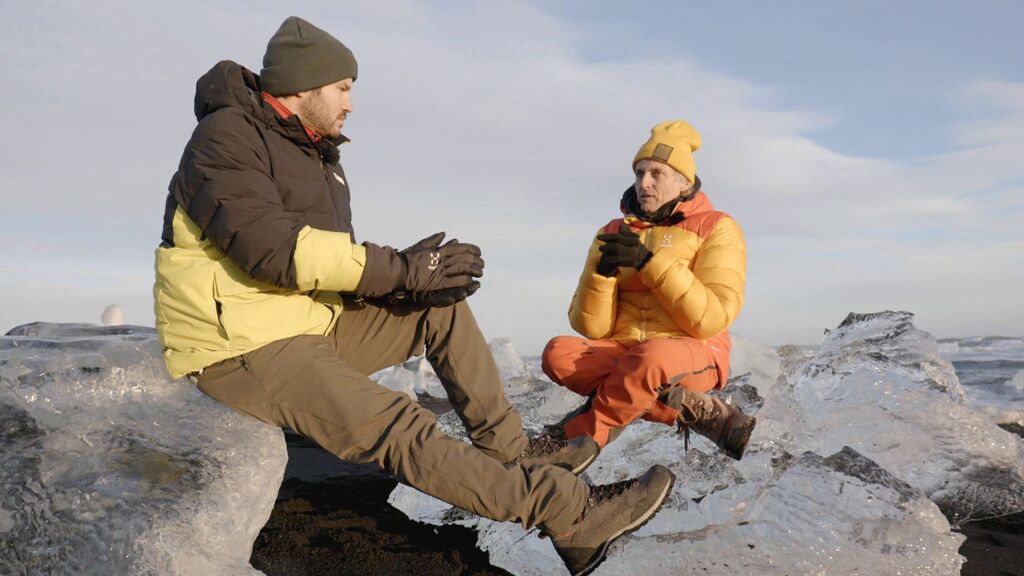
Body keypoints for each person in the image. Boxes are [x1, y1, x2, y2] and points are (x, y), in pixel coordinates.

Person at [153, 16, 673, 576]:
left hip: (302, 319)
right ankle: (570, 517)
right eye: (343, 88)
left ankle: (512, 451)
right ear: (303, 85)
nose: (350, 104)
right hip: (240, 344)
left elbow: (323, 258)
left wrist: (416, 279)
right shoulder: (227, 137)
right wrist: (404, 269)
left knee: (440, 307)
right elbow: (276, 252)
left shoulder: (308, 148)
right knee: (396, 423)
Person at [542, 120, 756, 459]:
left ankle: (575, 440)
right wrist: (601, 276)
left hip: (695, 349)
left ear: (684, 183)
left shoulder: (717, 226)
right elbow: (591, 329)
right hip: (629, 351)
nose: (645, 183)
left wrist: (648, 263)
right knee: (558, 355)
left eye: (657, 173)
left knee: (649, 360)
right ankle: (698, 411)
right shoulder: (611, 231)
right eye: (639, 173)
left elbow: (711, 319)